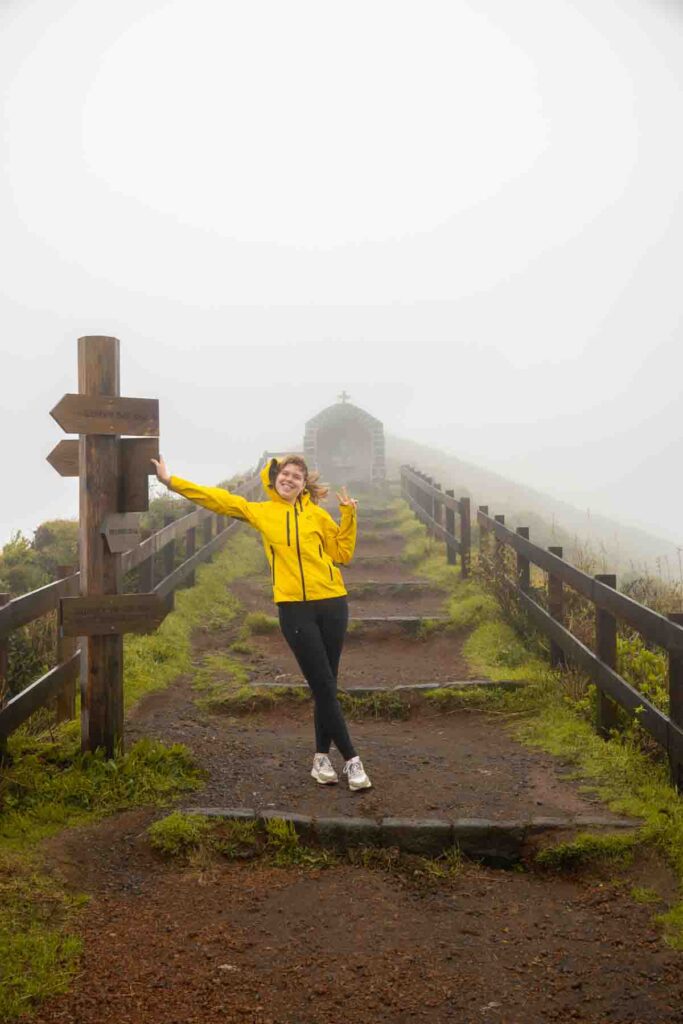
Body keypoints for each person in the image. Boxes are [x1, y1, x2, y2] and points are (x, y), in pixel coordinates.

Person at [150, 453, 372, 791]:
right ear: (275, 477)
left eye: (297, 476)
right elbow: (220, 500)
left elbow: (342, 554)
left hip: (332, 603)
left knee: (326, 685)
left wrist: (349, 515)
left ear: (303, 485)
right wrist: (171, 481)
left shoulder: (317, 516)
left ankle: (320, 758)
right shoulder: (262, 512)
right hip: (294, 610)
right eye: (285, 473)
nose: (290, 479)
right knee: (324, 685)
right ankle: (352, 760)